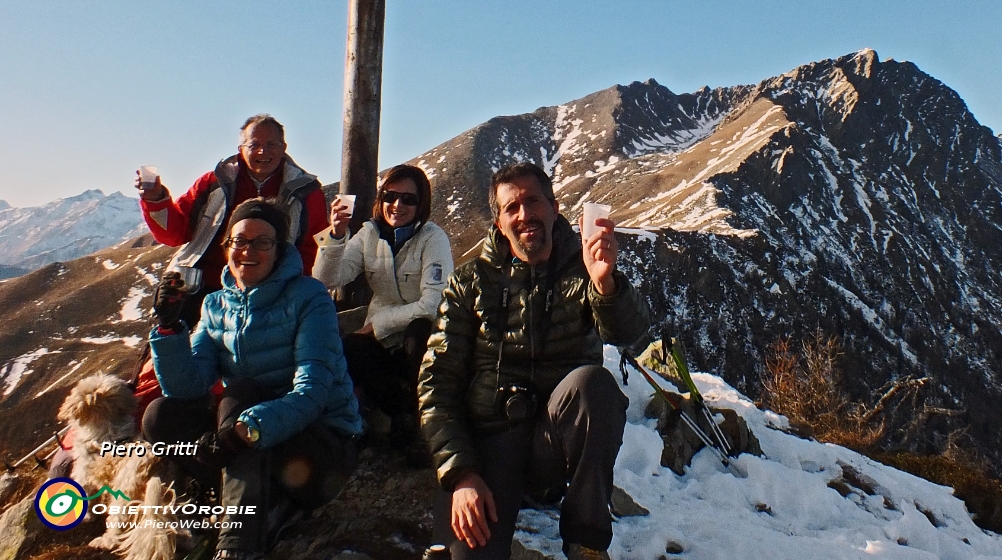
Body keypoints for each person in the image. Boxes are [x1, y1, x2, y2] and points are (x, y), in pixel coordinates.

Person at [418, 163, 650, 560]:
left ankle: (586, 543)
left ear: (554, 207)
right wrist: (461, 475)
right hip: (490, 442)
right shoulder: (469, 283)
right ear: (499, 221)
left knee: (594, 386)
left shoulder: (584, 270)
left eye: (533, 201)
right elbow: (437, 383)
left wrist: (605, 284)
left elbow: (628, 332)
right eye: (512, 207)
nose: (524, 215)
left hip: (553, 442)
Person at [143, 198, 362, 560]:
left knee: (240, 395)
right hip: (255, 445)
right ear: (227, 245)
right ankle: (260, 501)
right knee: (160, 415)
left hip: (318, 449)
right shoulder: (216, 305)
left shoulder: (309, 297)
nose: (248, 250)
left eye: (262, 242)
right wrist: (168, 330)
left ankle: (237, 547)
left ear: (279, 250)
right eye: (239, 241)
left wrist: (243, 432)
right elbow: (186, 386)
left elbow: (313, 393)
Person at [312, 164, 454, 441]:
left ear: (420, 204)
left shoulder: (433, 238)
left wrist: (377, 324)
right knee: (350, 347)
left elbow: (432, 304)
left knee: (419, 331)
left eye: (408, 199)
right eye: (390, 196)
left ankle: (424, 421)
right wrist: (337, 235)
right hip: (383, 344)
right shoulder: (368, 234)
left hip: (421, 342)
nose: (397, 205)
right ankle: (401, 415)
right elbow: (326, 279)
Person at [136, 115, 328, 295]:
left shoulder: (306, 192)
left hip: (270, 293)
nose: (263, 151)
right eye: (254, 145)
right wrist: (156, 199)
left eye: (271, 144)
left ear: (284, 147)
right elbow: (174, 234)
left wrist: (294, 290)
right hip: (202, 286)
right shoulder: (213, 183)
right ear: (241, 149)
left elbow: (312, 250)